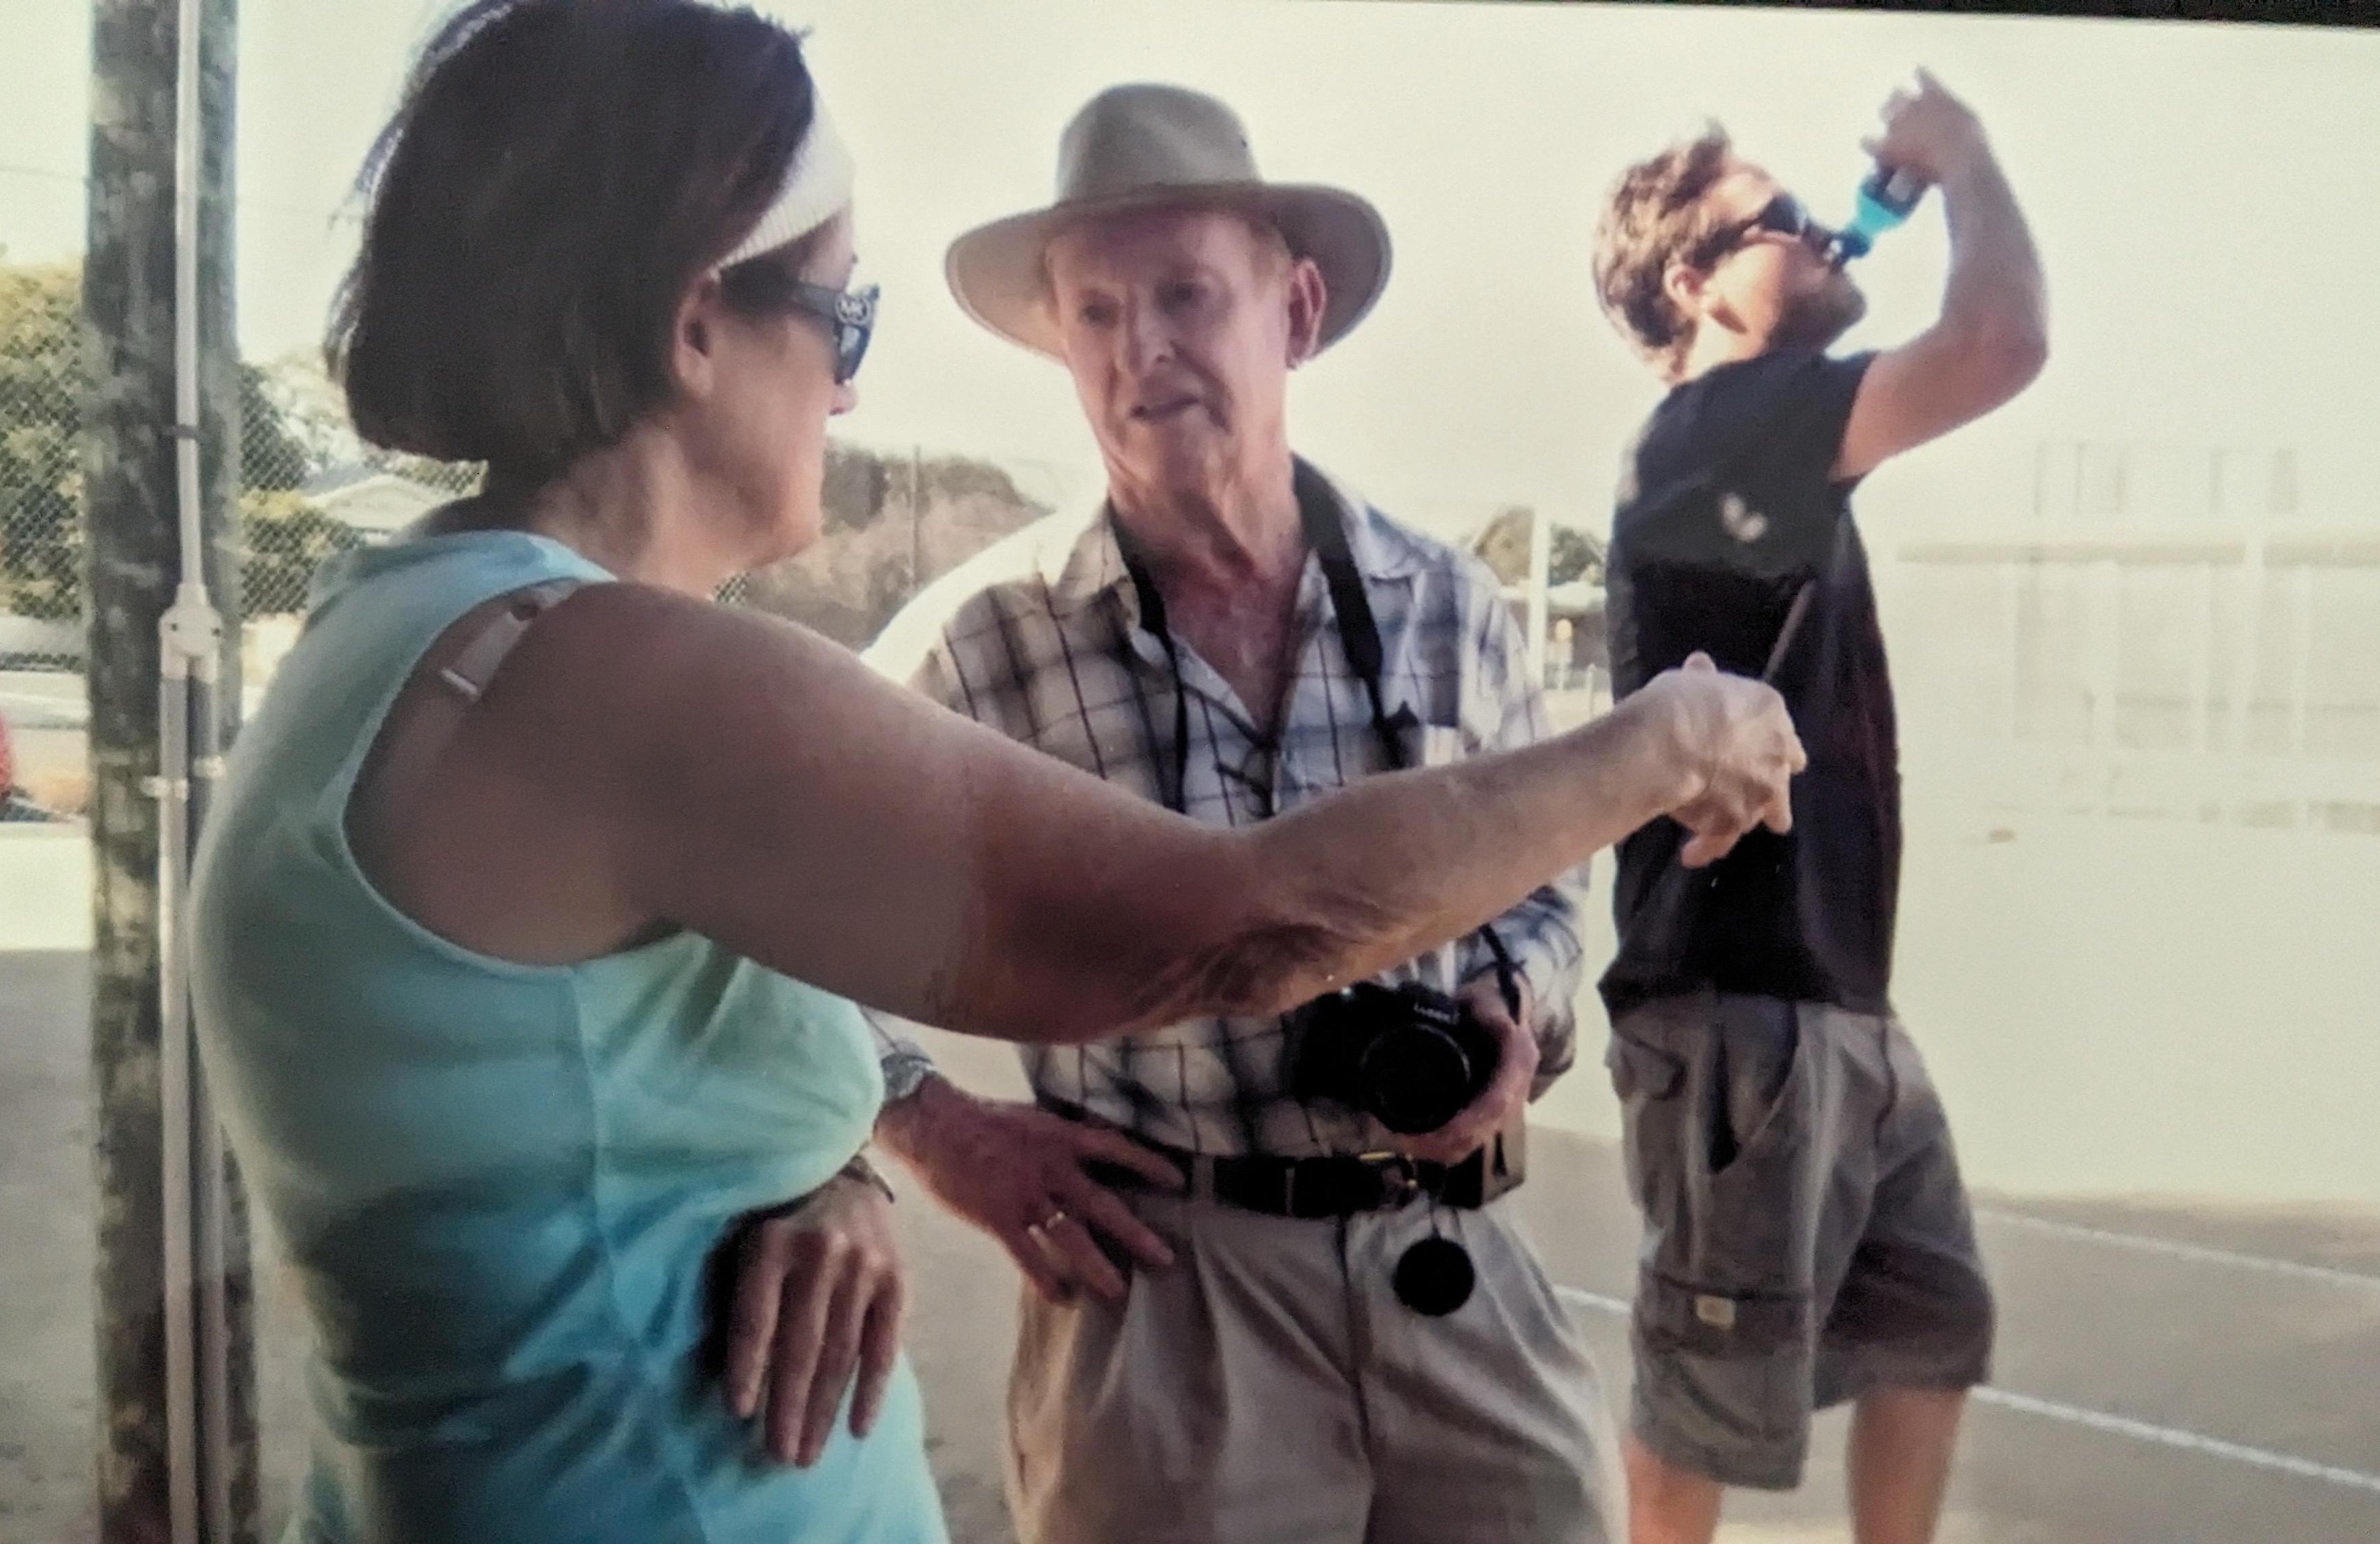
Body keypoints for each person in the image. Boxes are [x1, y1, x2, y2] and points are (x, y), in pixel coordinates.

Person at [184, 6, 1808, 1541]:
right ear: (695, 320)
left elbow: (615, 1063)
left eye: (1183, 296)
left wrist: (812, 1168)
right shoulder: (605, 674)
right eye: (840, 312)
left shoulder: (445, 639)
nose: (852, 381)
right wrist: (1670, 738)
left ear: (1290, 308)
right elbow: (1233, 933)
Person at [862, 83, 1624, 1544]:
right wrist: (939, 1127)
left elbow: (1550, 887)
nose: (1141, 349)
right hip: (1163, 1298)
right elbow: (758, 910)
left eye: (1186, 296)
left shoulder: (1452, 607)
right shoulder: (981, 643)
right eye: (1094, 314)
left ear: (1299, 309)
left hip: (1456, 1260)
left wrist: (1515, 1008)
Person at [1586, 70, 2048, 1544]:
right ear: (1693, 283)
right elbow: (1998, 342)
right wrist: (1960, 158)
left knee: (1931, 1320)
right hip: (1740, 1004)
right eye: (1779, 221)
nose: (1831, 234)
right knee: (1703, 1396)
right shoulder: (1720, 425)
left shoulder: (1755, 442)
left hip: (1837, 993)